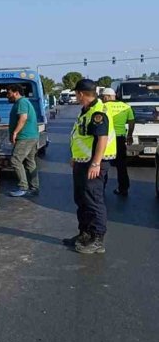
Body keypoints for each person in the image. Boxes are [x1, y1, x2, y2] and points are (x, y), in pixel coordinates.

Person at [63, 79, 117, 254]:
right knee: (82, 200)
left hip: (93, 164)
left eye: (76, 94)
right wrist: (76, 157)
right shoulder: (86, 111)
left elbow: (101, 139)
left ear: (80, 93)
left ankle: (97, 239)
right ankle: (85, 235)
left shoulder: (97, 112)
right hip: (82, 162)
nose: (76, 97)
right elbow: (83, 137)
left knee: (94, 201)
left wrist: (96, 163)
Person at [6, 84, 41, 197]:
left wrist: (15, 132)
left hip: (26, 137)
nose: (8, 95)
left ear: (16, 92)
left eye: (9, 93)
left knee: (15, 160)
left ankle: (23, 187)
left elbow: (23, 118)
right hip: (31, 136)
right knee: (30, 161)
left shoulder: (22, 102)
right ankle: (34, 187)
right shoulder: (22, 102)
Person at [101, 88, 135, 196]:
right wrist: (129, 135)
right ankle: (123, 188)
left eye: (103, 97)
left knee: (104, 163)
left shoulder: (104, 107)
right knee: (121, 165)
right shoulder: (126, 107)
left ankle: (101, 188)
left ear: (107, 96)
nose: (103, 99)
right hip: (120, 138)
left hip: (107, 139)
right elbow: (131, 121)